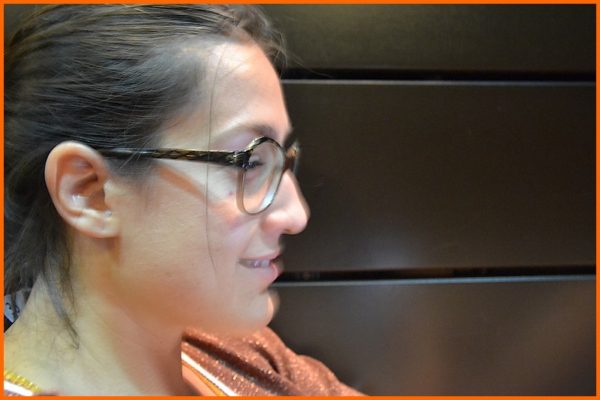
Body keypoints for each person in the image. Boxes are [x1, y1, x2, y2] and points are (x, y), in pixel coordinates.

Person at [4, 5, 362, 396]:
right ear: (90, 192)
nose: (296, 215)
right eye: (250, 162)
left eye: (282, 161)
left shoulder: (239, 352)